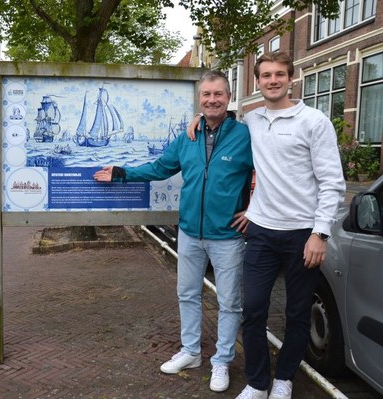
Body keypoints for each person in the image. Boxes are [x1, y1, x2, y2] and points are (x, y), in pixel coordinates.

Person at [188, 52, 346, 399]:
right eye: (265, 76)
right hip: (259, 233)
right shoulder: (253, 118)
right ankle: (258, 382)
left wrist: (320, 233)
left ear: (291, 78)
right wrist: (199, 117)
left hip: (303, 234)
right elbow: (219, 117)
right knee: (254, 309)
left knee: (297, 312)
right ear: (257, 81)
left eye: (279, 75)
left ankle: (284, 378)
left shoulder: (314, 121)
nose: (272, 81)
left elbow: (333, 182)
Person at [94, 70, 254, 393]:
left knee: (229, 302)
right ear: (200, 98)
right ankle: (191, 352)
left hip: (227, 237)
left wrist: (255, 209)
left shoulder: (245, 136)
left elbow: (268, 172)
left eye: (218, 94)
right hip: (190, 234)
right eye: (206, 94)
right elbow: (160, 168)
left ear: (228, 96)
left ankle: (221, 361)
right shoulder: (187, 137)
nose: (212, 99)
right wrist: (122, 172)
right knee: (187, 294)